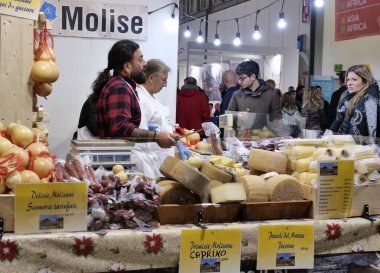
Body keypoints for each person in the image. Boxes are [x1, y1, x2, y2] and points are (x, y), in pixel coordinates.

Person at [95, 40, 176, 148]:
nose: (145, 63)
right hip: (117, 160)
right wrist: (155, 136)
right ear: (127, 66)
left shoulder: (122, 85)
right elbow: (120, 127)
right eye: (140, 60)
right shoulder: (120, 87)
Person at [133, 59, 189, 178]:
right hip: (148, 161)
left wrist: (176, 141)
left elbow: (162, 125)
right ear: (151, 78)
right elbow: (139, 133)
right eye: (163, 80)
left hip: (159, 159)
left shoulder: (152, 98)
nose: (166, 84)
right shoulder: (141, 99)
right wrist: (156, 135)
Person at [331, 65, 379, 142]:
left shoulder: (369, 102)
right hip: (347, 145)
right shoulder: (347, 97)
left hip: (362, 149)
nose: (349, 83)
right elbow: (338, 121)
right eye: (348, 79)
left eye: (354, 79)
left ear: (365, 82)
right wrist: (327, 136)